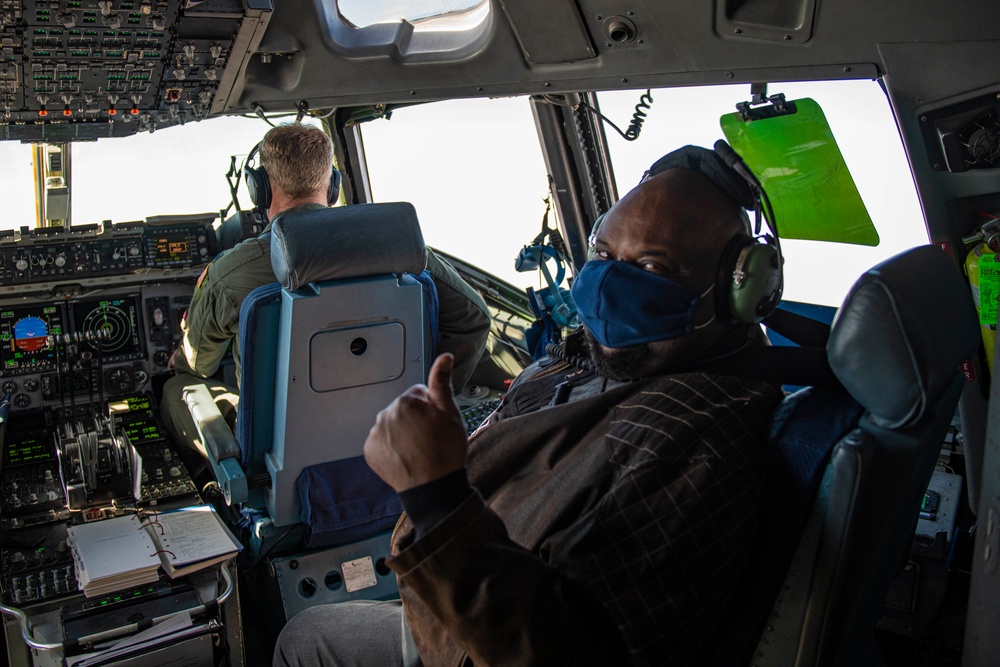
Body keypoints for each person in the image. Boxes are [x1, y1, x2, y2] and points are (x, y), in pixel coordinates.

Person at [272, 144, 785, 666]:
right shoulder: (599, 363)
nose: (609, 287)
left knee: (302, 641)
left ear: (740, 292)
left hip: (480, 635)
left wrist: (437, 497)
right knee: (308, 632)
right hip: (466, 605)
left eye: (653, 266)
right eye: (604, 256)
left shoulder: (693, 441)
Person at [160, 122, 491, 481]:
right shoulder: (397, 248)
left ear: (261, 189)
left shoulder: (232, 273)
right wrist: (428, 403)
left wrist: (184, 351)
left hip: (279, 459)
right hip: (394, 440)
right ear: (332, 185)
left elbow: (199, 365)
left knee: (177, 386)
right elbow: (474, 318)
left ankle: (225, 492)